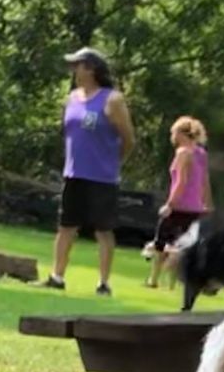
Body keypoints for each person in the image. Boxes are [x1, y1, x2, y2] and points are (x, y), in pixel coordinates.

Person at [42, 47, 134, 295]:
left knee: (103, 231)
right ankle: (57, 277)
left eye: (78, 65)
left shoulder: (112, 100)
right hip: (74, 174)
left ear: (91, 69)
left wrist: (113, 163)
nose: (73, 70)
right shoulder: (72, 98)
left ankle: (103, 283)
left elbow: (128, 139)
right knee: (66, 227)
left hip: (102, 178)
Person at [145, 115, 212, 290]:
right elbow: (204, 181)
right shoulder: (201, 153)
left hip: (180, 206)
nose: (172, 136)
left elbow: (180, 182)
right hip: (195, 208)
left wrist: (170, 204)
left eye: (173, 132)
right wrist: (206, 203)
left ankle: (154, 279)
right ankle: (172, 284)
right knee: (181, 244)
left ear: (181, 134)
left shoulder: (183, 153)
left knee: (160, 243)